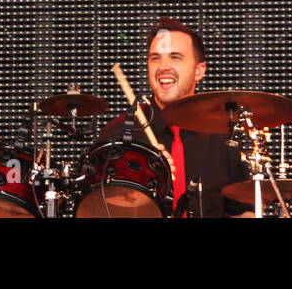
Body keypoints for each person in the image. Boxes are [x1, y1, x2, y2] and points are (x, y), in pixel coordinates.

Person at [96, 17, 250, 217]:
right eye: (155, 58)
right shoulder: (118, 133)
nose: (163, 67)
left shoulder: (224, 136)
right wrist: (141, 182)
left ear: (199, 71)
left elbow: (243, 211)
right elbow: (94, 205)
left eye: (175, 57)